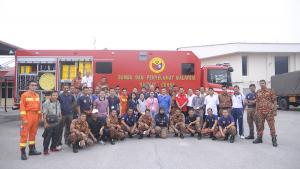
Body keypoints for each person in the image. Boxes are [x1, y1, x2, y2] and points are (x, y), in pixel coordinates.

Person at [19, 81, 42, 160]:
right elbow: (22, 108)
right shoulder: (24, 95)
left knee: (33, 133)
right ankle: (23, 152)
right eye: (32, 85)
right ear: (28, 86)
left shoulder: (37, 95)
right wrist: (24, 118)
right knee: (24, 134)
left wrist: (39, 117)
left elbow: (39, 107)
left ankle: (32, 150)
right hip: (28, 116)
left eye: (35, 85)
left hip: (35, 116)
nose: (34, 86)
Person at [253, 80, 278, 147]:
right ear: (259, 84)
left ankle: (274, 139)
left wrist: (275, 110)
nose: (262, 84)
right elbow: (257, 102)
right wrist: (256, 111)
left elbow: (275, 101)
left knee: (271, 125)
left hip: (269, 111)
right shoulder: (258, 92)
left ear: (265, 83)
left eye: (263, 83)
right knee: (260, 125)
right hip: (260, 111)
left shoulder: (270, 91)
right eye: (261, 83)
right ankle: (259, 138)